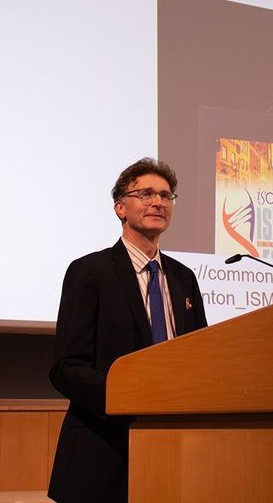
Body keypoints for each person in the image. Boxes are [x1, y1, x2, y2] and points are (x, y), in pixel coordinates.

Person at [48, 158, 208, 503]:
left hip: (176, 449)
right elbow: (67, 369)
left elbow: (200, 357)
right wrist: (131, 399)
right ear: (120, 207)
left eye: (166, 196)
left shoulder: (184, 278)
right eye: (146, 193)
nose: (158, 202)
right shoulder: (90, 271)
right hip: (103, 450)